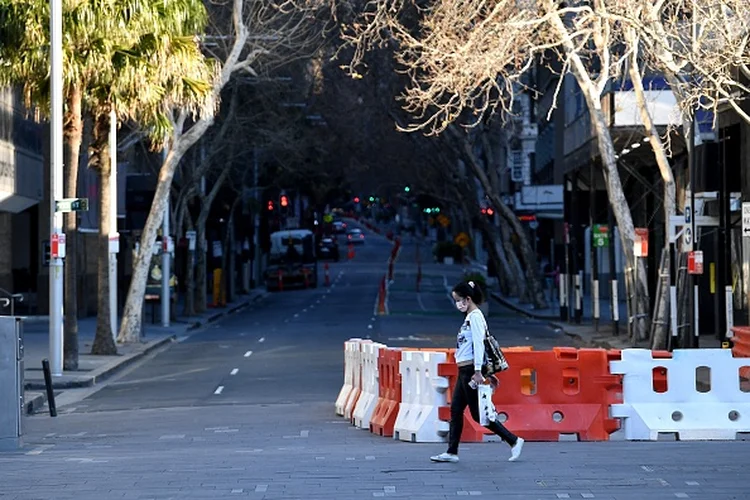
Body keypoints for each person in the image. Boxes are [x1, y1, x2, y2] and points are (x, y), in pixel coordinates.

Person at [430, 280, 525, 463]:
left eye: (458, 300)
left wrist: (479, 372)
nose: (457, 304)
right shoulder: (469, 317)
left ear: (467, 298)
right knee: (456, 409)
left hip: (470, 371)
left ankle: (514, 440)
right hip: (465, 370)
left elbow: (480, 345)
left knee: (478, 413)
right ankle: (451, 452)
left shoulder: (475, 317)